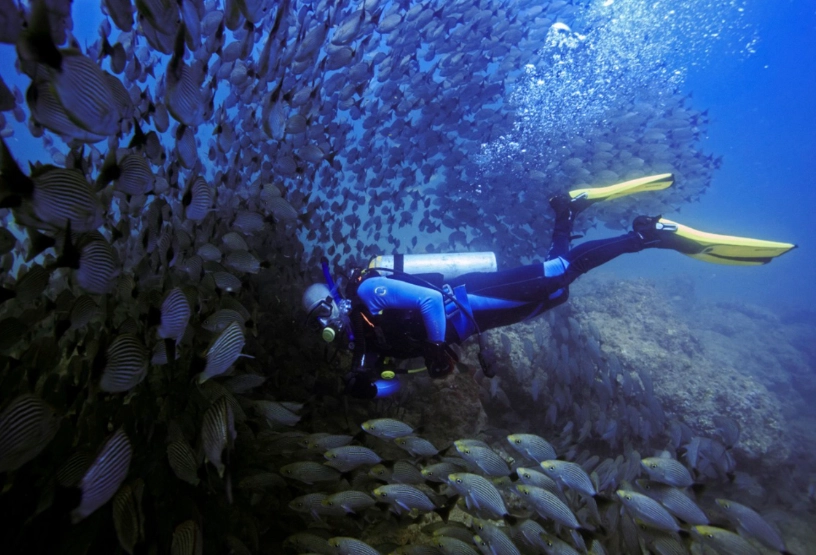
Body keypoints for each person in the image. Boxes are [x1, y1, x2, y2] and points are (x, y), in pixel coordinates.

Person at [302, 174, 796, 399]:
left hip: (474, 297)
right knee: (557, 288)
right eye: (320, 324)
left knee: (560, 273)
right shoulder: (365, 339)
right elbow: (398, 374)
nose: (327, 326)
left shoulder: (368, 293)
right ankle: (568, 211)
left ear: (334, 301)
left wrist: (435, 350)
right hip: (480, 319)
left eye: (323, 314)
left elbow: (431, 300)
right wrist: (372, 386)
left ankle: (646, 235)